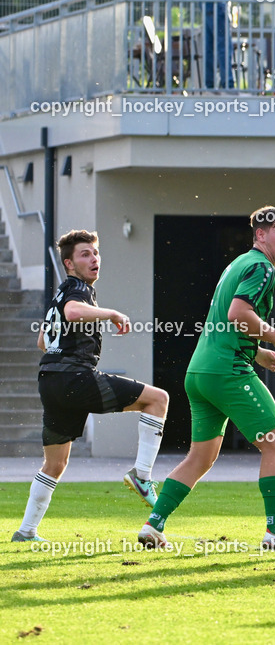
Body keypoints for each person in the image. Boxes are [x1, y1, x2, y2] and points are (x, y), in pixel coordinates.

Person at [138, 207, 275, 551]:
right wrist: (274, 336)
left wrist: (256, 351)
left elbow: (225, 322)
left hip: (200, 372)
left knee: (201, 457)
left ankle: (153, 525)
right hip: (227, 372)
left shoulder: (239, 263)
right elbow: (237, 314)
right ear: (260, 235)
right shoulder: (261, 267)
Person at [12, 230, 169, 543]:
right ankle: (142, 476)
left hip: (51, 381)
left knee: (55, 463)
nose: (94, 258)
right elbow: (72, 313)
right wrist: (111, 314)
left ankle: (26, 531)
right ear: (69, 264)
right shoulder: (76, 289)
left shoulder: (58, 294)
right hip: (74, 378)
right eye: (85, 254)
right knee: (158, 399)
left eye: (95, 253)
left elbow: (42, 341)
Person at [194, 0, 246, 92]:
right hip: (216, 2)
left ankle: (210, 85)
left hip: (208, 0)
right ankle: (227, 84)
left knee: (210, 45)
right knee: (224, 45)